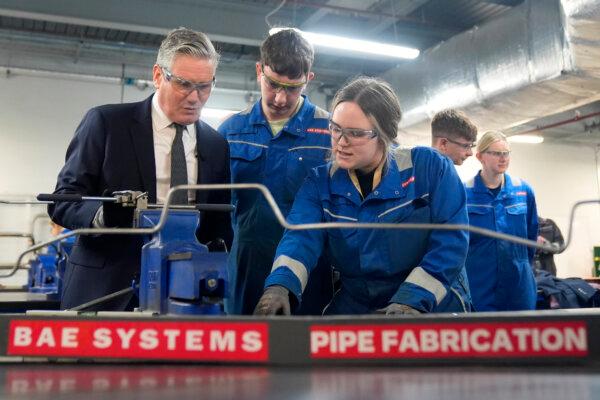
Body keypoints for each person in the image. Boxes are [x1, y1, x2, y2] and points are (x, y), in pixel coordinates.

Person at [254, 76, 472, 316]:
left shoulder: (430, 170)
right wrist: (280, 285)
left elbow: (451, 244)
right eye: (335, 129)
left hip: (434, 305)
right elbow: (300, 238)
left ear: (384, 134)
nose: (341, 143)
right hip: (359, 303)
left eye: (356, 133)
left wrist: (411, 301)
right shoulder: (320, 183)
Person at [48, 28, 232, 311]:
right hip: (105, 289)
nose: (195, 97)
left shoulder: (216, 145)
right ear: (158, 75)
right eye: (184, 84)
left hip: (185, 294)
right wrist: (102, 214)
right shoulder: (107, 124)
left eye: (205, 86)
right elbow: (63, 200)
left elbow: (217, 224)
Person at [219, 29, 333, 315]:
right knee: (243, 351)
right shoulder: (231, 132)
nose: (280, 99)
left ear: (309, 79)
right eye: (272, 84)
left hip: (310, 272)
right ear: (259, 70)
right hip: (244, 269)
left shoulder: (329, 133)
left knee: (306, 353)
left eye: (293, 88)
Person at [464, 131, 538, 311]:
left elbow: (531, 237)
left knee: (522, 334)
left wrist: (520, 265)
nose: (503, 158)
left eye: (506, 153)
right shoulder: (465, 193)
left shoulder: (523, 190)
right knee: (483, 334)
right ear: (480, 156)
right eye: (496, 153)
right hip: (480, 284)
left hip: (518, 285)